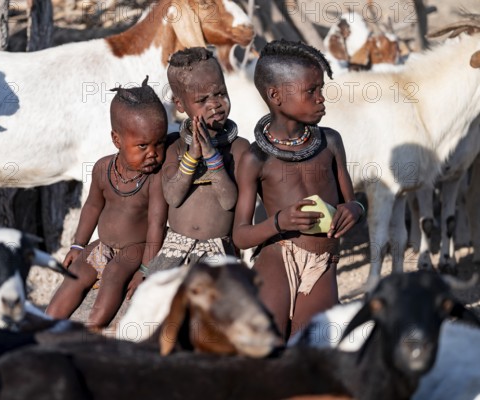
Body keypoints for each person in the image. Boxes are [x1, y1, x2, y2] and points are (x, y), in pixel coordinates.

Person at [232, 39, 365, 339]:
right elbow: (240, 236)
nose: (321, 99)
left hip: (322, 260)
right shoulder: (256, 158)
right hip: (277, 256)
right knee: (268, 339)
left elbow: (353, 204)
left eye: (321, 89)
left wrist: (354, 210)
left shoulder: (330, 142)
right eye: (312, 91)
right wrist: (280, 222)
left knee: (312, 342)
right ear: (276, 95)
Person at [46, 77, 168, 328]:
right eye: (143, 145)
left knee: (113, 274)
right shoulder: (103, 168)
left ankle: (92, 329)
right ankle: (45, 325)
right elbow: (92, 206)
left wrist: (146, 267)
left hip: (135, 247)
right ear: (117, 140)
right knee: (77, 273)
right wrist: (79, 245)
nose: (153, 153)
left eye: (159, 143)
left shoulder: (154, 178)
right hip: (102, 244)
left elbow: (156, 223)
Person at [142, 47, 250, 275]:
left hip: (218, 252)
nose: (215, 104)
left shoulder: (239, 148)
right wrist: (192, 156)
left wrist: (212, 157)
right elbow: (173, 196)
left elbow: (229, 201)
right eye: (202, 99)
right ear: (180, 105)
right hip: (174, 251)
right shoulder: (175, 146)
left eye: (220, 93)